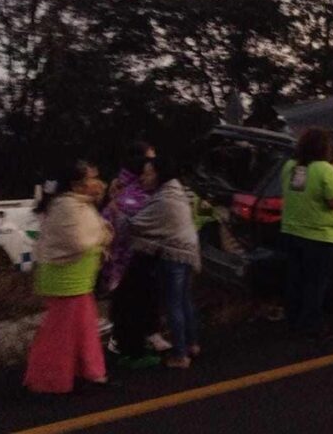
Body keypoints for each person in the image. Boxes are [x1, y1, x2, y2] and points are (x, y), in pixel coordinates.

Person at [24, 158, 113, 393]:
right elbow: (80, 241)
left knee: (82, 327)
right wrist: (102, 236)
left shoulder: (78, 203)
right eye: (91, 177)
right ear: (77, 184)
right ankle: (49, 379)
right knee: (60, 332)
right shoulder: (67, 206)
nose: (96, 182)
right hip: (65, 278)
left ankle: (88, 371)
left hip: (77, 278)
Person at [128, 156, 201, 369]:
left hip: (173, 255)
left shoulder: (164, 199)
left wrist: (116, 212)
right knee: (185, 301)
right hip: (187, 251)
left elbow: (137, 224)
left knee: (173, 305)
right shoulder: (175, 191)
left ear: (160, 174)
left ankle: (180, 355)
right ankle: (192, 344)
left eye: (148, 173)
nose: (143, 177)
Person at [103, 142, 171, 363]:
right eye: (149, 159)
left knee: (139, 298)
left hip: (132, 257)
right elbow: (124, 225)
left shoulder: (128, 187)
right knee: (131, 301)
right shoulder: (133, 193)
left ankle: (141, 338)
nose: (154, 163)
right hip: (129, 257)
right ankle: (130, 346)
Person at [281, 128, 333, 341]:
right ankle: (311, 326)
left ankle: (293, 320)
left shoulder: (291, 167)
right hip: (319, 236)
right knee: (315, 283)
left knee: (295, 279)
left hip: (292, 232)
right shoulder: (325, 170)